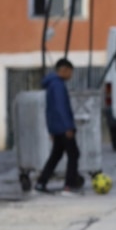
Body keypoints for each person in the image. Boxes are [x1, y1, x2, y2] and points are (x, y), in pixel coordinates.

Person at [35, 58, 84, 195]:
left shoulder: (52, 84)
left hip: (56, 127)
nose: (71, 76)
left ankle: (41, 182)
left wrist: (52, 129)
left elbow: (50, 110)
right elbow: (60, 107)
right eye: (70, 72)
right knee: (73, 154)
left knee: (56, 155)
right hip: (63, 127)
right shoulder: (58, 86)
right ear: (64, 70)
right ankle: (69, 185)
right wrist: (68, 127)